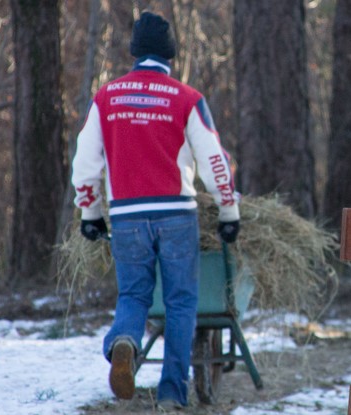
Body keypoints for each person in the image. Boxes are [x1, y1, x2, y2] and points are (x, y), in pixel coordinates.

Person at [70, 11, 240, 410]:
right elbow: (214, 159)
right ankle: (171, 393)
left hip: (127, 214)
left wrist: (90, 212)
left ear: (133, 53)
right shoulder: (187, 98)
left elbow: (84, 163)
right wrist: (228, 210)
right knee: (181, 303)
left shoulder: (106, 98)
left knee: (133, 294)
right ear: (171, 54)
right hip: (177, 215)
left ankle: (124, 341)